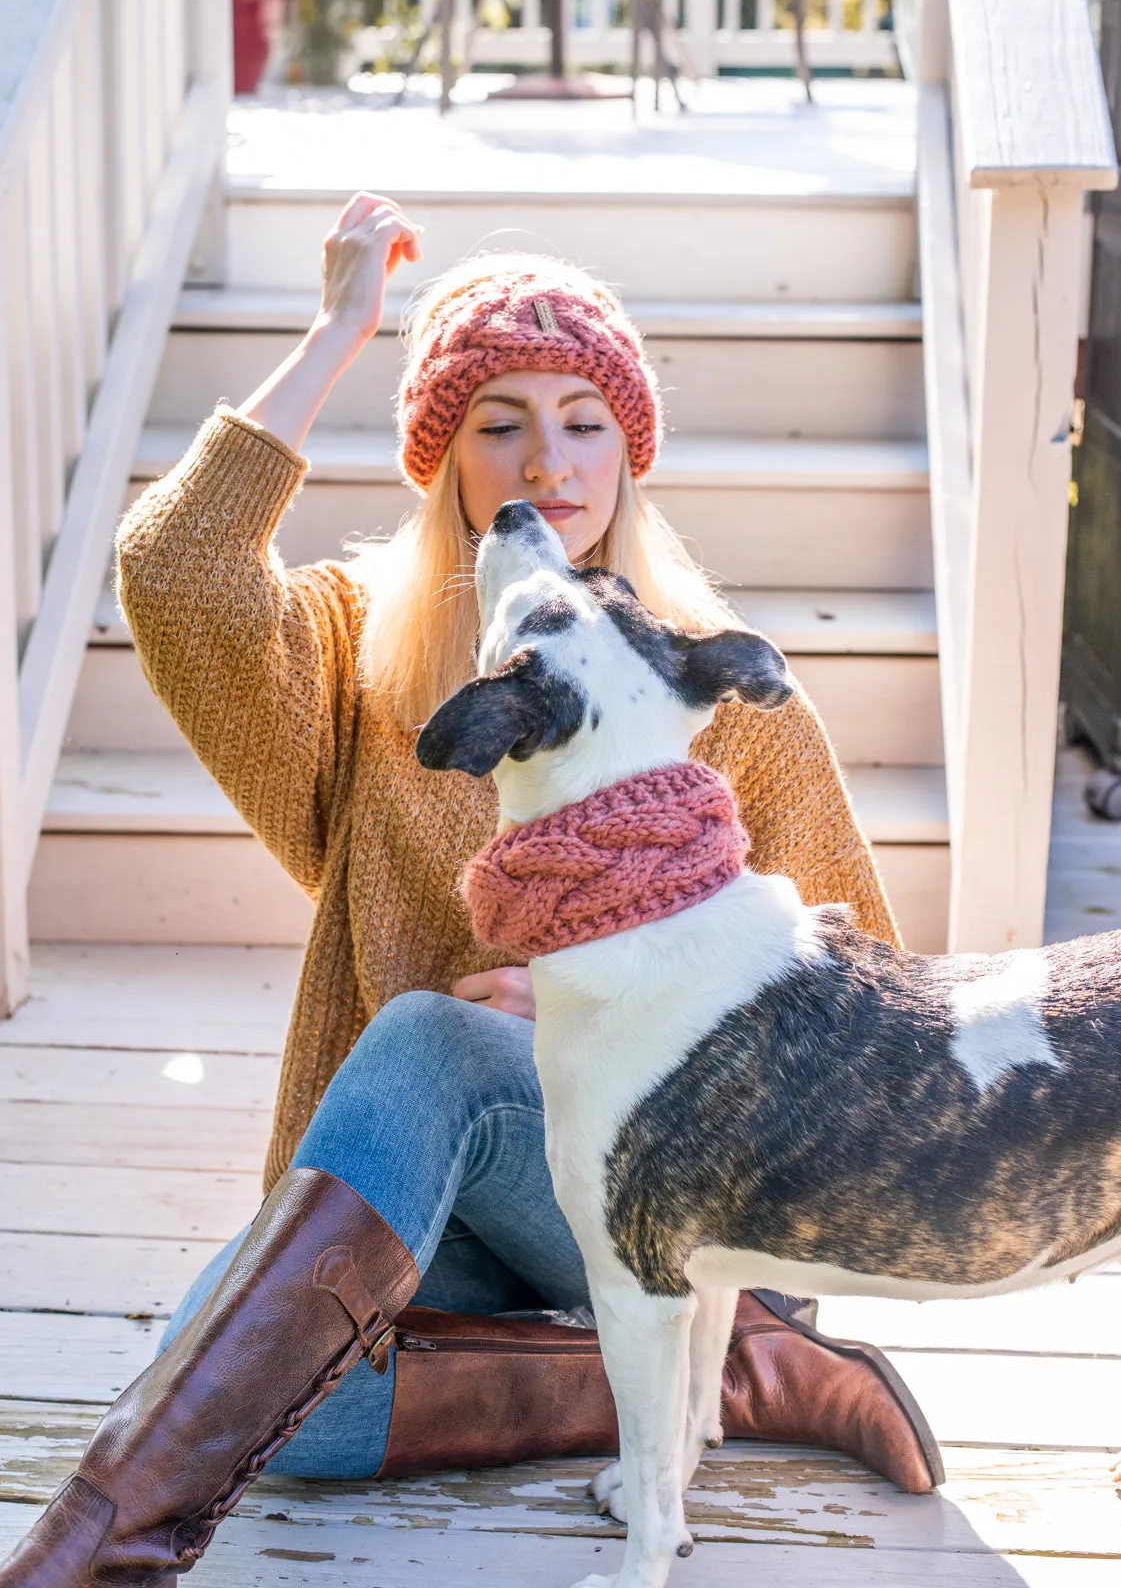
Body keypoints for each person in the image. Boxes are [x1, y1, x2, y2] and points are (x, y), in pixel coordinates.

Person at [0, 195, 942, 1588]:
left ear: (632, 453)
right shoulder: (355, 664)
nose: (545, 461)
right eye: (497, 420)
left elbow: (874, 1025)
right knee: (277, 1410)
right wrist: (336, 331)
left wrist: (610, 1009)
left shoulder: (717, 700)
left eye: (582, 420)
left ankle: (78, 1563)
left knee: (438, 1039)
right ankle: (730, 1379)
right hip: (440, 1217)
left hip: (659, 1203)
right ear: (440, 458)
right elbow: (178, 571)